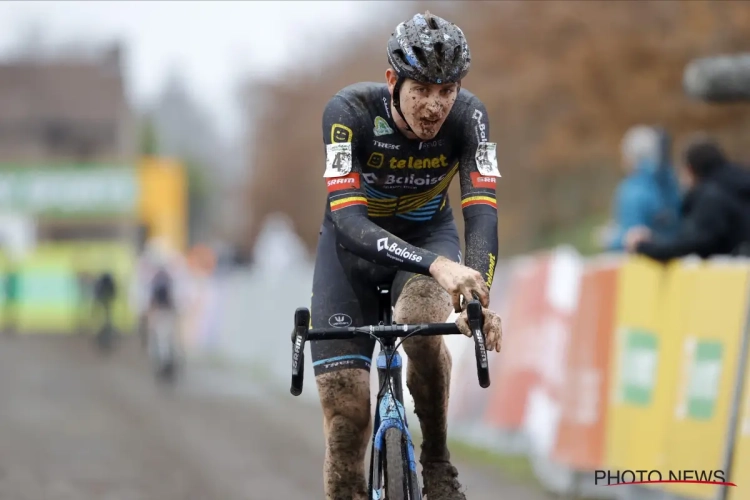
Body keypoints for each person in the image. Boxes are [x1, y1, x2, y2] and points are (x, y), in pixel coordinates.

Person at [311, 11, 504, 500]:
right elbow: (351, 223)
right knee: (346, 411)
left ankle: (438, 463)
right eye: (422, 89)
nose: (435, 106)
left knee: (421, 323)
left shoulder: (471, 117)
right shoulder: (347, 112)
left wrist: (477, 290)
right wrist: (440, 267)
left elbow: (481, 214)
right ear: (392, 81)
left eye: (447, 90)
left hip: (428, 237)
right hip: (351, 249)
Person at [626, 134, 750, 261]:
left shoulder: (712, 197)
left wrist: (644, 247)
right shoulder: (739, 185)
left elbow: (690, 244)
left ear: (690, 170)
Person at [598, 125, 682, 251]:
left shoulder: (632, 190)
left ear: (632, 157)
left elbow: (633, 237)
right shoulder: (674, 183)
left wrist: (610, 239)